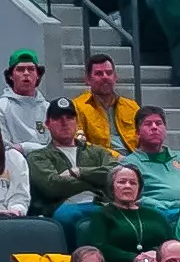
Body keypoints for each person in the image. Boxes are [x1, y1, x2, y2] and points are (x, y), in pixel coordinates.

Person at [29, 97, 117, 232]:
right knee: (69, 217)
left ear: (76, 122)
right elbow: (53, 186)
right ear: (48, 124)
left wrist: (78, 172)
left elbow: (114, 174)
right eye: (58, 118)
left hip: (100, 204)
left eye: (69, 118)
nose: (64, 122)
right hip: (62, 208)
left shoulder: (97, 152)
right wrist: (97, 182)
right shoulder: (38, 156)